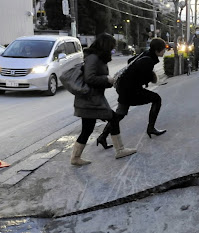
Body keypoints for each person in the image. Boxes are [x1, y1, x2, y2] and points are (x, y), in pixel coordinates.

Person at [71, 32, 135, 166]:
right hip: (91, 101)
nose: (113, 49)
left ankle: (75, 158)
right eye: (112, 46)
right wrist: (107, 79)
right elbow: (90, 78)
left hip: (90, 100)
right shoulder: (93, 58)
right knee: (113, 118)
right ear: (105, 45)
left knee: (87, 129)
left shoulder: (95, 57)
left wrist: (109, 81)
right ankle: (120, 149)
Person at [96, 37, 167, 148]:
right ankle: (151, 128)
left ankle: (102, 137)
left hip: (125, 88)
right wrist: (149, 77)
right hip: (130, 90)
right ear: (157, 50)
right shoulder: (148, 60)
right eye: (163, 49)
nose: (164, 51)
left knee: (120, 114)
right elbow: (144, 78)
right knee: (156, 99)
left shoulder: (146, 54)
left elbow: (130, 61)